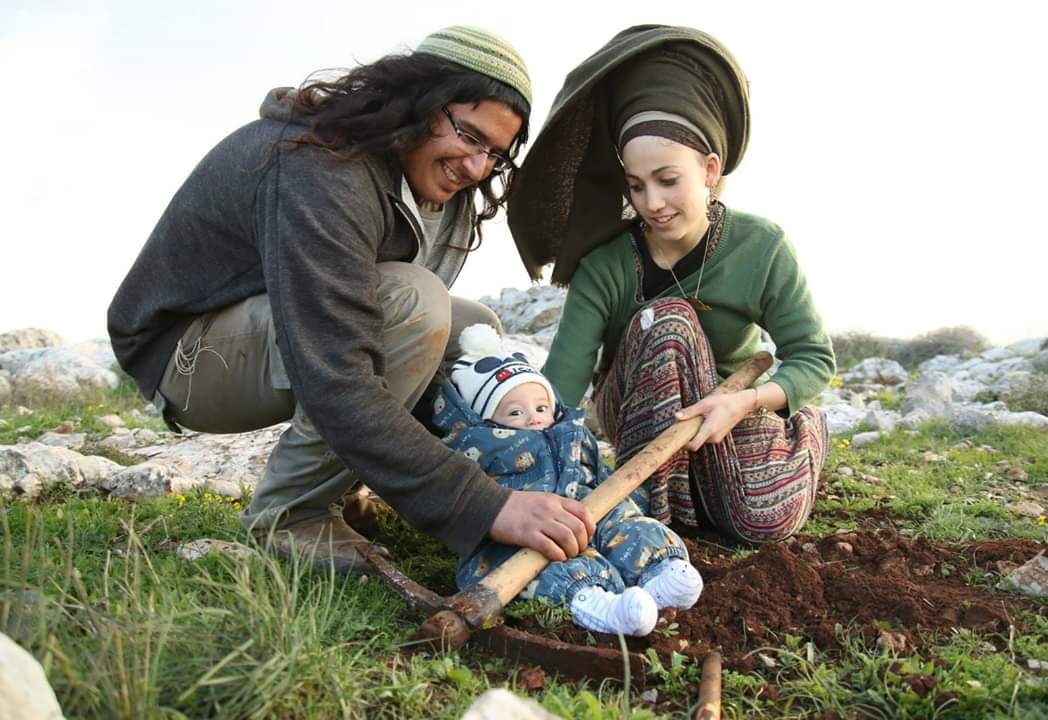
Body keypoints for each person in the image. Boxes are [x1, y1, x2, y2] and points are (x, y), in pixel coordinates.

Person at [107, 26, 596, 572]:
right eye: (469, 136)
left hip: (276, 334)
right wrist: (480, 506)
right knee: (415, 304)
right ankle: (290, 514)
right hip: (185, 358)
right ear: (419, 102)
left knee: (471, 329)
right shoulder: (320, 168)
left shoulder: (430, 182)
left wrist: (492, 482)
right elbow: (339, 373)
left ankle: (354, 483)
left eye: (494, 155)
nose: (477, 167)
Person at [507, 25, 835, 544]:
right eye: (636, 187)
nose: (652, 204)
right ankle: (654, 508)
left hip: (728, 407)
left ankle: (797, 435)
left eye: (667, 180)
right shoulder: (605, 265)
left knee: (762, 521)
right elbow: (563, 386)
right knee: (667, 321)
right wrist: (523, 472)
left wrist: (744, 403)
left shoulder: (762, 246)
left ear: (709, 170)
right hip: (637, 413)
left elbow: (813, 357)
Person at [434, 324, 704, 636]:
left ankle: (660, 574)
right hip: (530, 525)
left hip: (591, 507)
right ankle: (598, 604)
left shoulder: (570, 431)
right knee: (551, 561)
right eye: (515, 413)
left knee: (630, 527)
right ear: (485, 420)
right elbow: (463, 495)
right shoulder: (478, 448)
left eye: (541, 407)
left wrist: (632, 505)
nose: (534, 417)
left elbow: (601, 472)